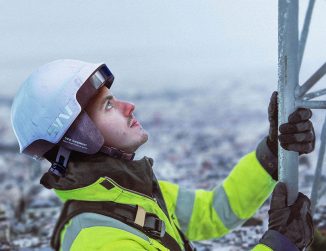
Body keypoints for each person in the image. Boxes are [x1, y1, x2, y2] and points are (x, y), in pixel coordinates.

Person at [11, 59, 315, 251]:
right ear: (79, 138)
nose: (128, 106)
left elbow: (213, 212)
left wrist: (270, 155)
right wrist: (280, 245)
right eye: (108, 105)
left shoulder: (132, 195)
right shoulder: (101, 241)